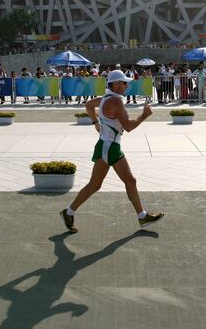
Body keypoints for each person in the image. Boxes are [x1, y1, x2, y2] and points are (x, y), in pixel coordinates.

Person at [60, 70, 163, 233]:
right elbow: (128, 127)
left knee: (99, 184)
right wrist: (144, 115)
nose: (127, 85)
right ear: (115, 84)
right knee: (127, 181)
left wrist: (95, 122)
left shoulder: (104, 98)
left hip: (105, 145)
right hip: (110, 147)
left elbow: (88, 105)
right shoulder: (115, 101)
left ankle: (69, 212)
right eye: (124, 83)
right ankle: (142, 216)